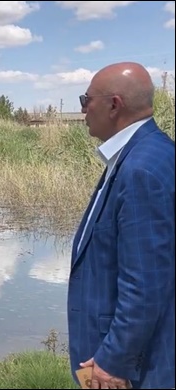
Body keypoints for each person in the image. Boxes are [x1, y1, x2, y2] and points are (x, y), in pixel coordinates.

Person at [67, 62, 175, 389]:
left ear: (114, 105)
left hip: (124, 366)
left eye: (86, 100)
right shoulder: (147, 153)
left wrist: (114, 360)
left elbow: (145, 283)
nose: (83, 110)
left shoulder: (141, 168)